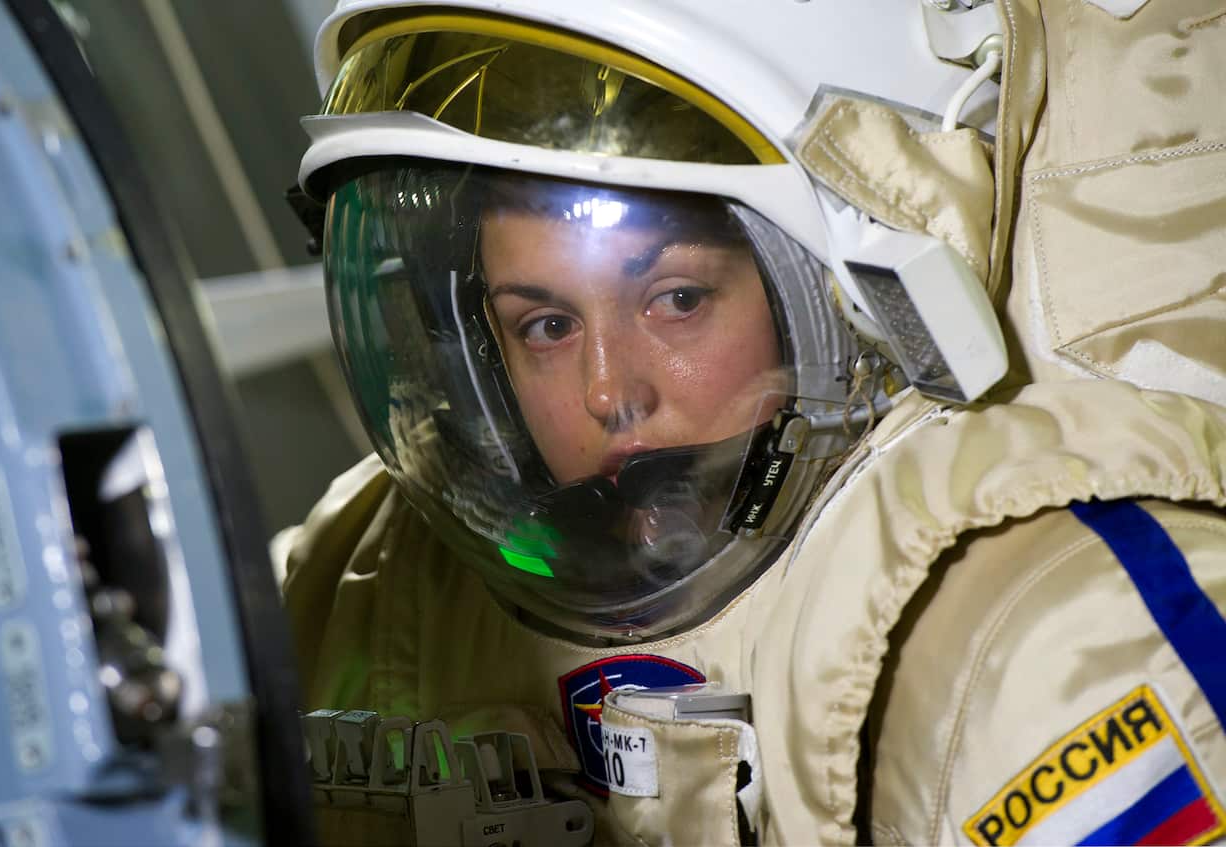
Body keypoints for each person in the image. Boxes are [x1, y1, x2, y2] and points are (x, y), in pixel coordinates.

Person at [282, 1, 1226, 844]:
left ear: (849, 296)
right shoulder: (363, 591)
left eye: (677, 297)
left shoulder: (1044, 637)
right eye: (547, 325)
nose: (608, 391)